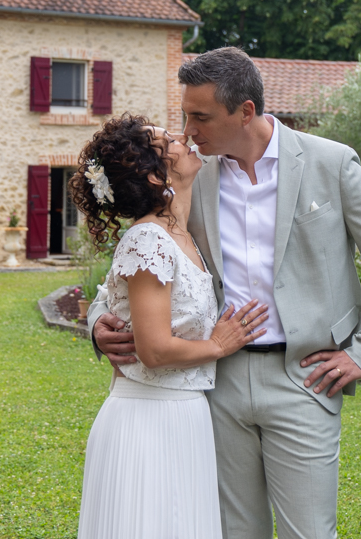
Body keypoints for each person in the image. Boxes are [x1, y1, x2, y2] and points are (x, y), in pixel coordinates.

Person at [89, 47, 361, 539]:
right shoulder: (190, 180)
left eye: (200, 117)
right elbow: (136, 256)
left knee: (310, 533)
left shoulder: (331, 163)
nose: (187, 131)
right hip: (214, 383)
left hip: (305, 378)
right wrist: (98, 322)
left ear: (245, 111)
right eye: (184, 115)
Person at [68, 114, 269, 539]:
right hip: (148, 420)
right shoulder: (148, 239)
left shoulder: (179, 235)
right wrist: (218, 344)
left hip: (184, 415)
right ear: (156, 177)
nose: (184, 137)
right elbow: (154, 350)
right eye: (168, 140)